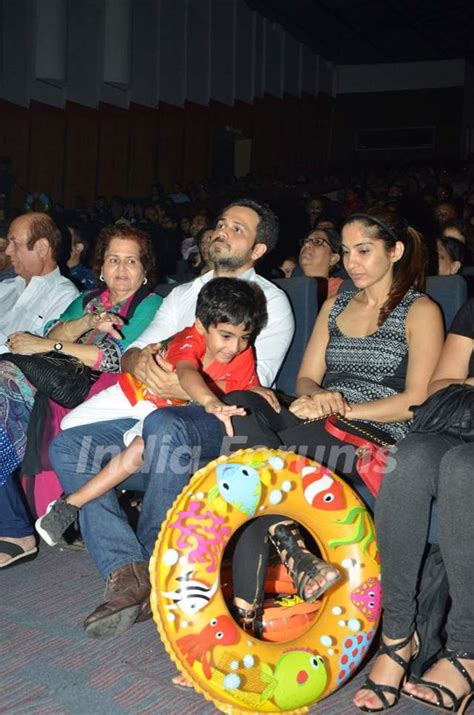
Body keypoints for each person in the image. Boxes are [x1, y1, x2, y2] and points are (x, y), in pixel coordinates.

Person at [49, 198, 294, 638]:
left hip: (215, 421)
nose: (221, 231)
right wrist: (141, 363)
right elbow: (132, 351)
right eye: (220, 223)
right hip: (152, 409)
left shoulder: (269, 301)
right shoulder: (184, 293)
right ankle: (129, 570)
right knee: (68, 445)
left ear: (259, 250)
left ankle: (155, 561)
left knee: (165, 428)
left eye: (237, 229)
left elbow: (249, 390)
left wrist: (175, 385)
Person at [221, 206, 445, 636]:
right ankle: (294, 556)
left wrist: (339, 408)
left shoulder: (420, 311)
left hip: (374, 425)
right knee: (239, 407)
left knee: (264, 470)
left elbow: (416, 401)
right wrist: (317, 397)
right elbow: (307, 376)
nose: (352, 262)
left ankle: (243, 623)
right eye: (346, 252)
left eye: (364, 251)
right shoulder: (336, 304)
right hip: (321, 416)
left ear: (395, 251)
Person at [36, 278, 270, 546]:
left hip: (165, 414)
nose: (235, 347)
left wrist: (259, 391)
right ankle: (112, 486)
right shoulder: (188, 339)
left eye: (244, 338)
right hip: (138, 392)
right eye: (226, 336)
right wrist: (209, 400)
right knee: (69, 426)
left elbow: (247, 388)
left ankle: (70, 504)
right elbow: (186, 373)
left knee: (140, 446)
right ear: (201, 326)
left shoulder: (244, 353)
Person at [0, 224, 161, 569]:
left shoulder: (152, 305)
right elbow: (54, 329)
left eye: (131, 262)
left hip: (114, 391)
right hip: (61, 383)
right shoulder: (89, 300)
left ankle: (21, 525)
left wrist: (51, 345)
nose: (120, 269)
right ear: (100, 268)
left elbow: (118, 358)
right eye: (113, 260)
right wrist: (85, 323)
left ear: (145, 271)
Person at [354, 297, 474, 713]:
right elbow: (442, 383)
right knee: (408, 457)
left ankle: (466, 650)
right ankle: (399, 636)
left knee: (463, 468)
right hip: (465, 422)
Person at [0, 213, 79, 353]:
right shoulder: (6, 287)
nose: (8, 251)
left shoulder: (64, 296)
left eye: (15, 243)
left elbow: (41, 352)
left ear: (42, 248)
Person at [294, 227, 343, 296]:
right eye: (306, 241)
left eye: (317, 242)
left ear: (333, 258)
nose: (306, 244)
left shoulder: (345, 291)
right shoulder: (289, 289)